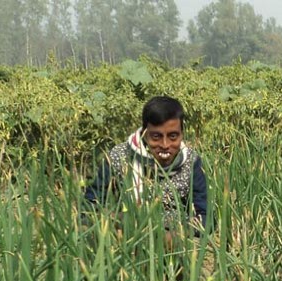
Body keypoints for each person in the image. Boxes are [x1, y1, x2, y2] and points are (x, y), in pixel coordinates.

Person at [84, 96, 208, 239]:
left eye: (173, 136)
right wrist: (120, 220)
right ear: (144, 133)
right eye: (156, 137)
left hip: (175, 241)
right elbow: (88, 207)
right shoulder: (119, 157)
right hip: (127, 236)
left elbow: (206, 217)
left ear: (182, 134)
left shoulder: (191, 162)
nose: (165, 145)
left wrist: (178, 235)